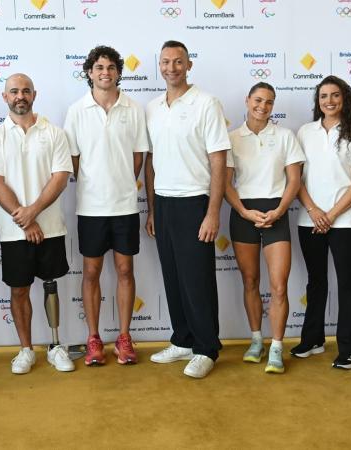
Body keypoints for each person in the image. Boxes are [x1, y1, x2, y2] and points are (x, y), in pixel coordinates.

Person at [145, 40, 229, 379]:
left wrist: (212, 213)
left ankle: (206, 348)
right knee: (173, 277)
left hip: (195, 201)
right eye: (165, 62)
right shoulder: (151, 107)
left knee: (198, 280)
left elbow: (219, 161)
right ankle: (182, 339)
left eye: (178, 62)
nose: (171, 68)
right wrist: (152, 209)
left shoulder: (206, 103)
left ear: (189, 65)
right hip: (163, 203)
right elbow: (150, 162)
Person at [0, 73, 74, 374]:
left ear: (35, 95)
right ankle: (25, 350)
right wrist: (25, 219)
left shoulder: (55, 133)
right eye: (14, 91)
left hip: (50, 227)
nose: (20, 96)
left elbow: (60, 177)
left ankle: (56, 345)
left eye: (25, 91)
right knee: (19, 290)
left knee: (51, 285)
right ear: (5, 96)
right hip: (14, 231)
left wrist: (32, 212)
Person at [64, 45, 148, 366]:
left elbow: (138, 155)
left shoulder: (133, 108)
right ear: (89, 72)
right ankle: (94, 338)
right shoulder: (76, 110)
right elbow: (73, 158)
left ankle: (124, 338)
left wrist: (123, 182)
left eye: (111, 67)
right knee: (91, 273)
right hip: (90, 208)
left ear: (117, 72)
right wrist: (94, 184)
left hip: (125, 206)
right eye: (99, 67)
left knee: (126, 270)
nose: (105, 72)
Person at [291, 75, 351, 370]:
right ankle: (313, 340)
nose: (329, 101)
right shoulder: (304, 132)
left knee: (347, 283)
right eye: (324, 96)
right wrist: (314, 210)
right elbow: (295, 178)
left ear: (344, 98)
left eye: (335, 95)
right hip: (309, 219)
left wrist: (331, 214)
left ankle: (349, 348)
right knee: (316, 282)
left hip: (344, 221)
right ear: (318, 101)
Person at [224, 82, 304, 374]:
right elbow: (225, 182)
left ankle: (277, 347)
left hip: (276, 214)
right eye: (258, 100)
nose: (263, 106)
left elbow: (294, 180)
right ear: (247, 100)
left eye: (269, 102)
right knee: (250, 281)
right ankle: (257, 340)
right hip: (243, 213)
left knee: (279, 285)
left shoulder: (285, 136)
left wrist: (279, 211)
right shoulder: (231, 138)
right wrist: (244, 212)